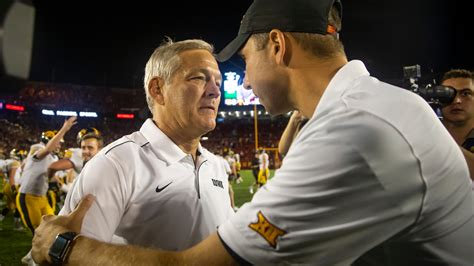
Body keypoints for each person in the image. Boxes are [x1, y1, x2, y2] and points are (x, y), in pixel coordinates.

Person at [32, 0, 474, 265]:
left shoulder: (352, 131)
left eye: (242, 61)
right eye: (198, 79)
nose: (235, 83)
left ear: (278, 46)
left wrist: (65, 247)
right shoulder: (375, 109)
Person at [50, 38, 233, 259]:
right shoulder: (115, 164)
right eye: (199, 78)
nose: (215, 91)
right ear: (158, 89)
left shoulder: (214, 165)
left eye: (218, 83)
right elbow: (73, 258)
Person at [17, 116, 76, 264]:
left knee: (55, 228)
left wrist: (63, 186)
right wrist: (65, 128)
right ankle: (34, 260)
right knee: (39, 232)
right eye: (57, 142)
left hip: (41, 197)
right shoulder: (37, 151)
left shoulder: (51, 158)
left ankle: (30, 257)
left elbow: (52, 175)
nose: (58, 146)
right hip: (28, 197)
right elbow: (48, 148)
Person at [440, 69, 474, 183]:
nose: (457, 101)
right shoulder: (426, 131)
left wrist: (436, 140)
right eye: (447, 94)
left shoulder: (432, 136)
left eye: (466, 94)